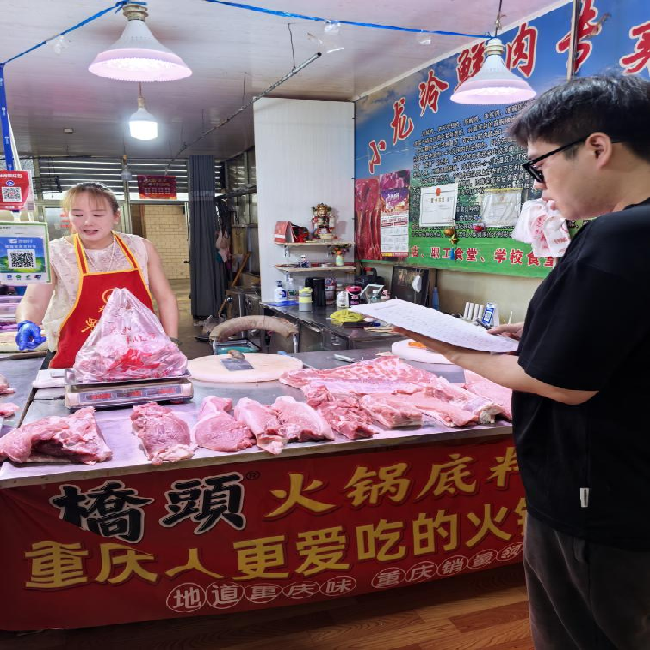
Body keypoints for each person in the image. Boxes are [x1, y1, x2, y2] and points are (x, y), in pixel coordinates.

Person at [397, 75, 650, 649]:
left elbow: (562, 384)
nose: (540, 186)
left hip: (597, 497)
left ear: (597, 147)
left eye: (539, 164)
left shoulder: (618, 236)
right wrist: (539, 328)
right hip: (633, 487)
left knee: (582, 633)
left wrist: (448, 347)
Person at [15, 182, 179, 367]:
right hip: (78, 357)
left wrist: (171, 342)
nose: (87, 222)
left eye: (98, 214)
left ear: (116, 216)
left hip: (139, 352)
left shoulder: (140, 248)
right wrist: (26, 322)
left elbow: (165, 298)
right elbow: (34, 301)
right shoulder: (55, 252)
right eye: (78, 215)